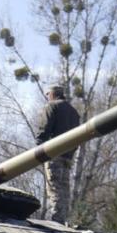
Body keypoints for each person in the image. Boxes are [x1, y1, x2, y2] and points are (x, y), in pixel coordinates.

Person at [35, 84, 81, 223]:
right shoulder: (74, 112)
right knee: (64, 190)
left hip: (53, 153)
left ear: (52, 94)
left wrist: (39, 147)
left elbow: (44, 128)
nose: (47, 98)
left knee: (54, 188)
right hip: (68, 156)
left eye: (47, 95)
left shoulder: (52, 106)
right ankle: (63, 218)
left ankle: (56, 220)